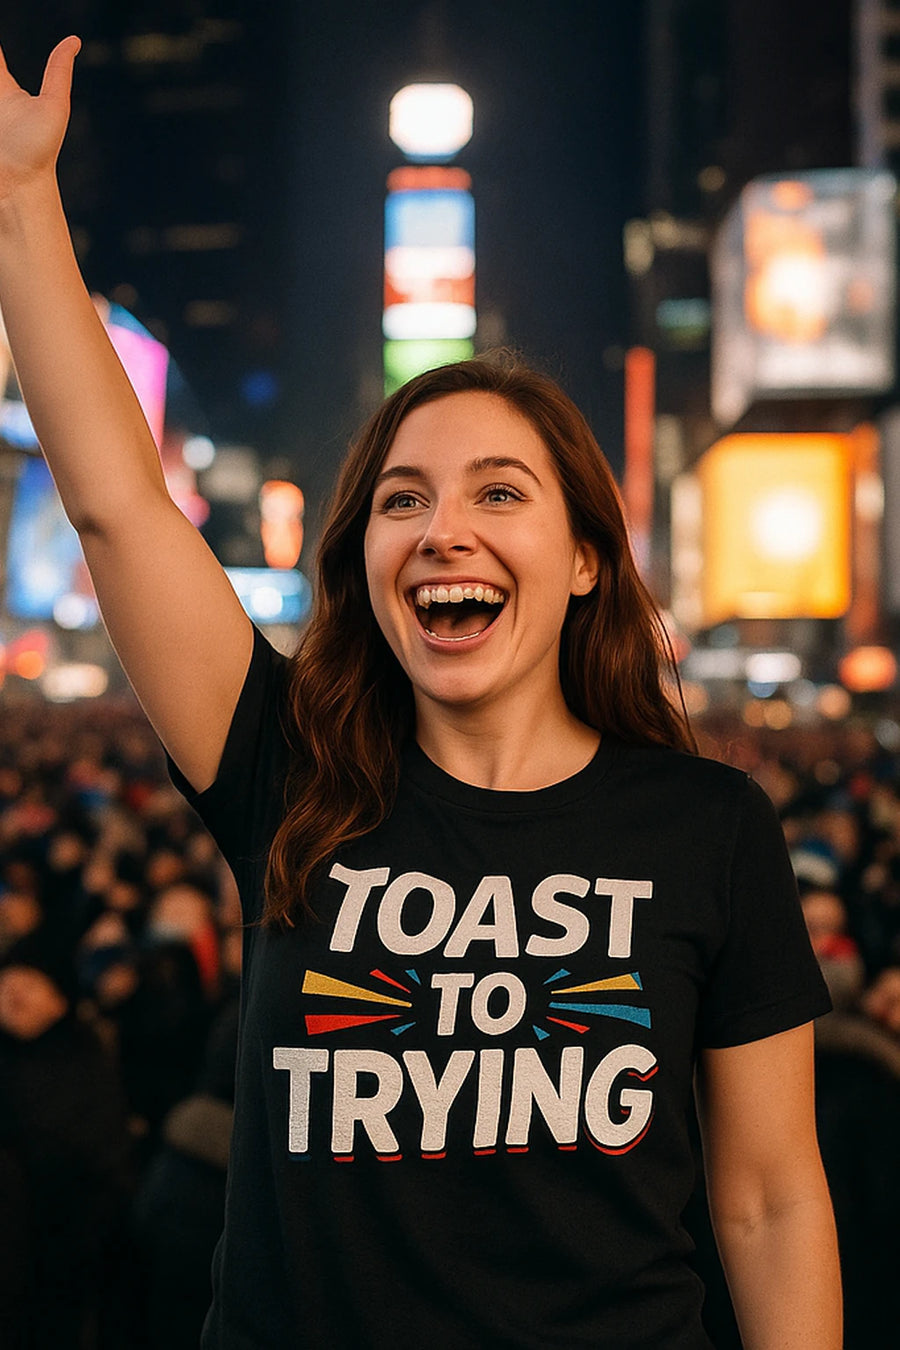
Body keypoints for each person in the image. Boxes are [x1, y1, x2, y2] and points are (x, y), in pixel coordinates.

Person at [0, 36, 841, 1350]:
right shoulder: (286, 762)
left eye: (498, 491)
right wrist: (18, 200)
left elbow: (772, 1200)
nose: (441, 528)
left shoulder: (708, 824)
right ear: (368, 563)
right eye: (403, 499)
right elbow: (114, 508)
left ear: (579, 559)